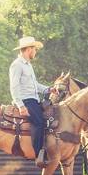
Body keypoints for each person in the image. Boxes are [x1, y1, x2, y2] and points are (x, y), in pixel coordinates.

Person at [9, 36, 51, 167]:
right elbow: (14, 86)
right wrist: (20, 105)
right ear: (28, 49)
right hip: (26, 100)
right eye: (34, 49)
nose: (35, 52)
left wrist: (49, 89)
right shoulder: (17, 65)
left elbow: (35, 85)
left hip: (33, 99)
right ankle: (38, 155)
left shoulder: (28, 65)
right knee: (39, 122)